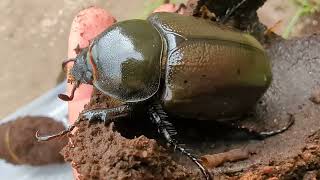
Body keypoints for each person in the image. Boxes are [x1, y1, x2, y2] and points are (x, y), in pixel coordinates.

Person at [65, 4, 182, 178]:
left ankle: (180, 148)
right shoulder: (158, 24)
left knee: (151, 109)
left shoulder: (152, 84)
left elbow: (128, 107)